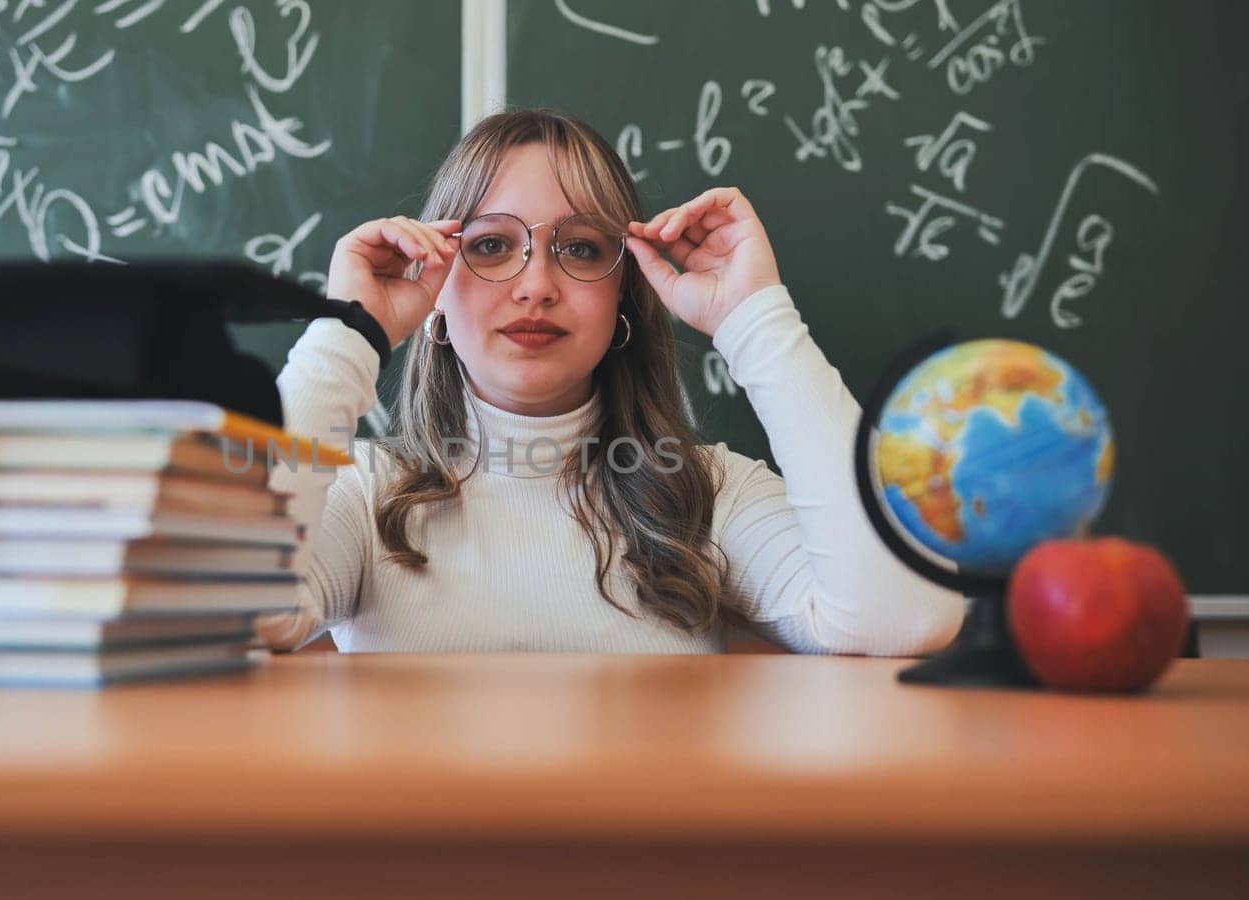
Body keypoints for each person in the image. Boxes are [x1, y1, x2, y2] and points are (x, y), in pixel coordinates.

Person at [254, 108, 964, 654]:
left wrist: (756, 321)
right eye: (492, 245)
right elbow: (234, 609)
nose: (535, 286)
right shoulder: (364, 492)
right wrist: (348, 331)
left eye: (581, 248)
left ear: (623, 295)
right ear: (436, 288)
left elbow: (906, 615)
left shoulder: (705, 494)